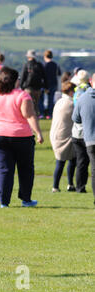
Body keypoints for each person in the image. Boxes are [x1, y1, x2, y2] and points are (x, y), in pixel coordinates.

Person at [0, 66, 44, 208]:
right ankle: (26, 199)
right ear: (16, 80)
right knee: (25, 169)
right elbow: (29, 116)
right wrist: (38, 133)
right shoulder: (22, 96)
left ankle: (4, 201)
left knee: (4, 170)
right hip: (21, 136)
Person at [72, 73, 95, 205]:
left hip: (90, 138)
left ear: (91, 82)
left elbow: (76, 118)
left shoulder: (82, 97)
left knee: (93, 169)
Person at [50, 81, 77, 192]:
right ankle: (60, 185)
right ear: (71, 91)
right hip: (65, 135)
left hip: (56, 134)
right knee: (67, 161)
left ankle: (58, 185)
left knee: (62, 160)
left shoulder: (59, 101)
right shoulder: (70, 104)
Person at [71, 69, 91, 193]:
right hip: (87, 131)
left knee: (81, 161)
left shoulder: (76, 92)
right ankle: (81, 186)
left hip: (76, 131)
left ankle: (80, 186)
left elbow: (75, 116)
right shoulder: (88, 93)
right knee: (88, 161)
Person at [20, 50, 48, 116]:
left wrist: (21, 87)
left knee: (28, 104)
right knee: (36, 104)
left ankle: (28, 116)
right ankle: (35, 116)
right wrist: (46, 86)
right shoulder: (39, 65)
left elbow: (23, 76)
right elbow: (44, 76)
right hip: (38, 88)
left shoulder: (26, 65)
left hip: (28, 87)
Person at [39, 50, 62, 119]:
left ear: (45, 56)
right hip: (53, 84)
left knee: (41, 99)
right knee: (51, 100)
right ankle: (50, 114)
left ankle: (42, 113)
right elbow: (59, 74)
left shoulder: (43, 65)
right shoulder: (55, 64)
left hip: (44, 84)